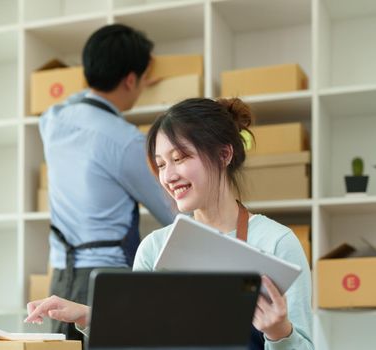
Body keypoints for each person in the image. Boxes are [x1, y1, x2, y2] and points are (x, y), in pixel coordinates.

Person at [27, 97, 314, 350]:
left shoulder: (276, 243)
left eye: (180, 158)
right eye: (161, 164)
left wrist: (279, 334)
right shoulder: (155, 247)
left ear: (224, 154)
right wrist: (87, 314)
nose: (169, 176)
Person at [38, 24, 176, 341]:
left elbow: (79, 101)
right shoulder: (127, 141)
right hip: (105, 280)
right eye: (140, 81)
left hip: (59, 276)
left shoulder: (52, 119)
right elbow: (172, 211)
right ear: (131, 79)